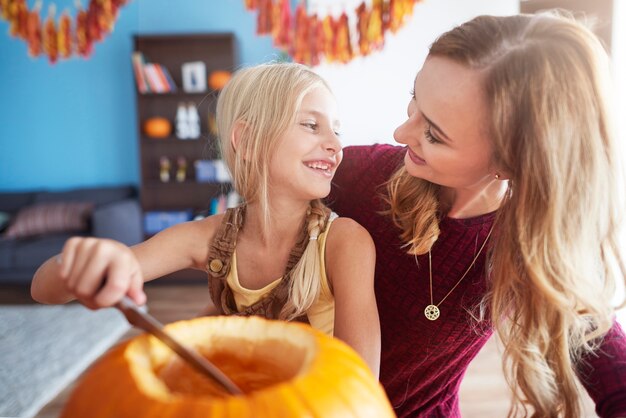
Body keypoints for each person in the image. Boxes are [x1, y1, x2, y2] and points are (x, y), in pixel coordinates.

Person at [327, 11, 626, 417]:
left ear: (507, 160)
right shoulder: (352, 176)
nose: (401, 133)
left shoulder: (528, 245)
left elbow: (615, 376)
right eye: (414, 98)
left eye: (433, 133)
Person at [31, 62, 381, 377]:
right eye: (311, 125)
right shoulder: (209, 238)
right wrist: (84, 265)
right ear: (247, 141)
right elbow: (43, 289)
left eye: (337, 130)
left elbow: (360, 385)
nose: (336, 144)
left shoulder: (345, 243)